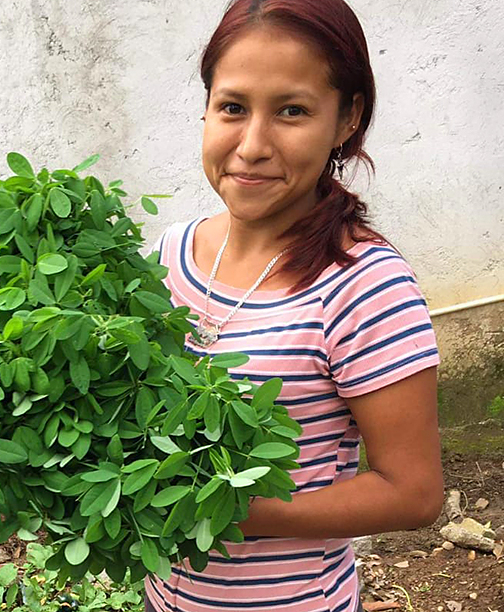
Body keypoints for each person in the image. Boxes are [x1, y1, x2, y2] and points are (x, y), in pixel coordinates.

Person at [146, 1, 444, 610]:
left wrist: (224, 511)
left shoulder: (366, 285)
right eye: (232, 107)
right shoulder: (169, 255)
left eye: (291, 111)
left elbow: (412, 493)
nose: (252, 146)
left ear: (346, 118)